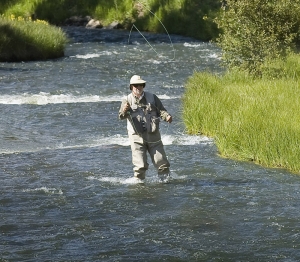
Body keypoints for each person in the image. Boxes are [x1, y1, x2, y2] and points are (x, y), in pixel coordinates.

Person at [119, 75, 173, 183]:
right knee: (140, 167)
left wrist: (167, 117)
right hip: (136, 137)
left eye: (140, 85)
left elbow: (161, 110)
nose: (138, 87)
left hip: (153, 136)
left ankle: (166, 183)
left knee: (162, 164)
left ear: (143, 86)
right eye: (135, 85)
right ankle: (139, 186)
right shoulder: (127, 100)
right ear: (131, 87)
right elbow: (121, 116)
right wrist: (125, 110)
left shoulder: (152, 97)